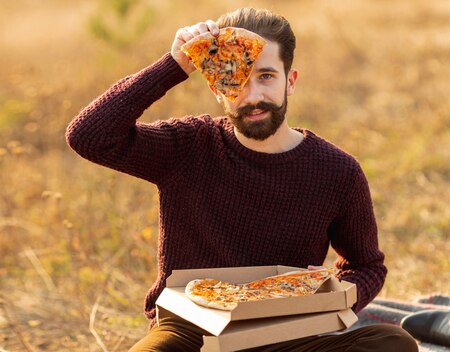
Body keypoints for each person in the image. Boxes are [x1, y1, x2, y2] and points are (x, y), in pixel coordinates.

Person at [66, 7, 418, 352]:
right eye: (236, 80)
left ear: (289, 81)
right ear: (216, 89)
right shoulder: (189, 145)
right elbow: (88, 136)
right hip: (191, 328)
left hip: (289, 329)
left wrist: (335, 290)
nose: (252, 97)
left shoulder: (337, 171)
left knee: (393, 343)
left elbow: (367, 265)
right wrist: (174, 65)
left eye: (266, 76)